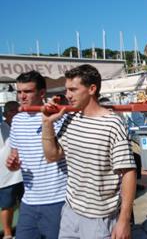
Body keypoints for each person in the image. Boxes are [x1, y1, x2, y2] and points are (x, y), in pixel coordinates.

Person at [41, 64, 137, 238]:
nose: (67, 95)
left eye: (73, 89)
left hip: (100, 219)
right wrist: (47, 124)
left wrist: (124, 220)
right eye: (66, 90)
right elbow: (52, 156)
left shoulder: (112, 124)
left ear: (92, 89)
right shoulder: (71, 119)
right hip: (70, 212)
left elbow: (128, 172)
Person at [6, 71, 67, 239]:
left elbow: (60, 155)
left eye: (27, 91)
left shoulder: (59, 117)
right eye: (19, 92)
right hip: (28, 202)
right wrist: (12, 164)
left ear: (41, 93)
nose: (22, 96)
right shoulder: (17, 120)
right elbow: (14, 156)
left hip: (58, 200)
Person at [0, 101, 23, 239]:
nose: (15, 113)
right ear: (5, 114)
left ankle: (22, 231)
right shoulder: (1, 129)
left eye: (17, 110)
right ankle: (8, 234)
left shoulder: (23, 127)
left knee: (24, 205)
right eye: (12, 111)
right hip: (5, 176)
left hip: (23, 174)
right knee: (7, 206)